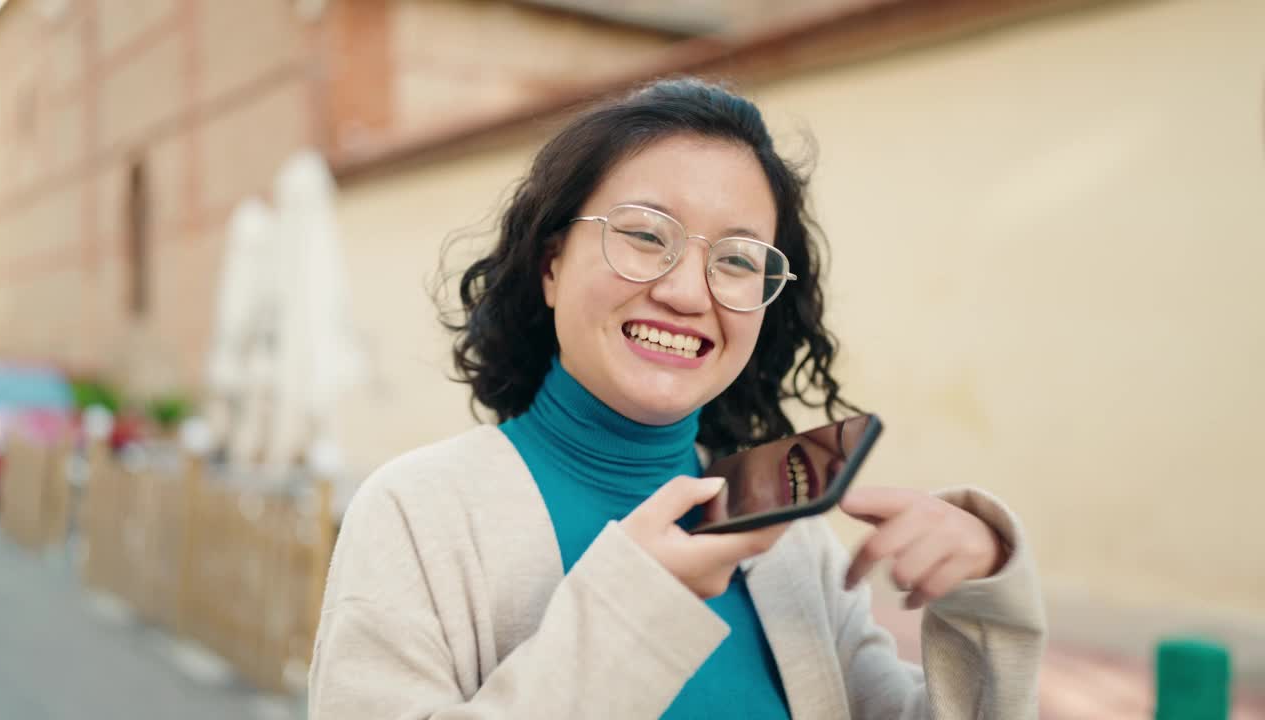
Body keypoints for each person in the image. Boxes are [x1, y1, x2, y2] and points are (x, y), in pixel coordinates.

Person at [309, 77, 1046, 719]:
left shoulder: (790, 543)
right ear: (551, 265)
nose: (686, 291)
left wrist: (983, 597)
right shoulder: (418, 514)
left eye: (735, 259)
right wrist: (634, 607)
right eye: (643, 235)